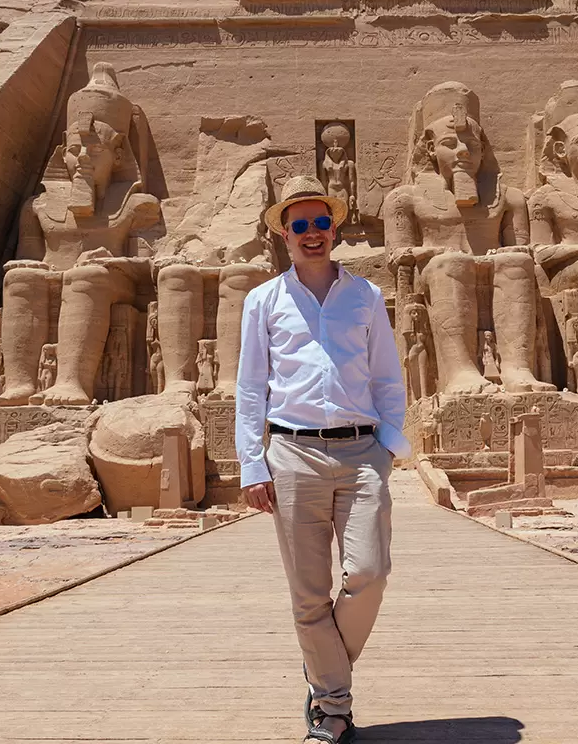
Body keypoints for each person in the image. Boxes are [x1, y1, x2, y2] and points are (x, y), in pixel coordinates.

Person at [236, 175, 411, 744]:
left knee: (369, 573)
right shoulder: (263, 301)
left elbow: (388, 375)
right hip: (291, 453)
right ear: (284, 235)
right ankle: (332, 706)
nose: (312, 234)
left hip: (362, 453)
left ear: (335, 230)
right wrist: (252, 463)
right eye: (300, 225)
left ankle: (321, 672)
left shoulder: (365, 295)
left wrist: (389, 445)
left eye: (321, 224)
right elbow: (250, 388)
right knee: (308, 592)